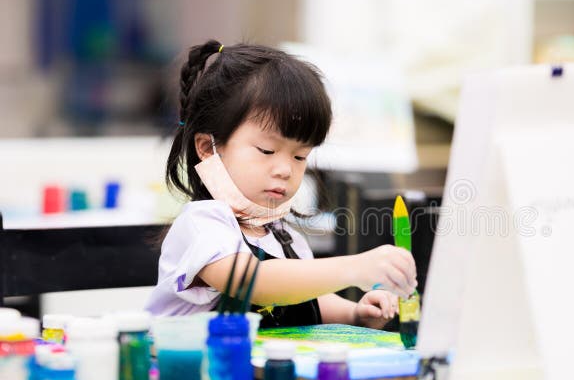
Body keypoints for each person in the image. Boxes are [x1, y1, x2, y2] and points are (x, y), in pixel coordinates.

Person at [145, 40, 417, 330]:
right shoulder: (202, 225)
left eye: (300, 156)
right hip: (199, 372)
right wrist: (354, 268)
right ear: (208, 148)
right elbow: (250, 280)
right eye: (266, 151)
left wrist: (355, 313)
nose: (286, 169)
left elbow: (303, 298)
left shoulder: (285, 237)